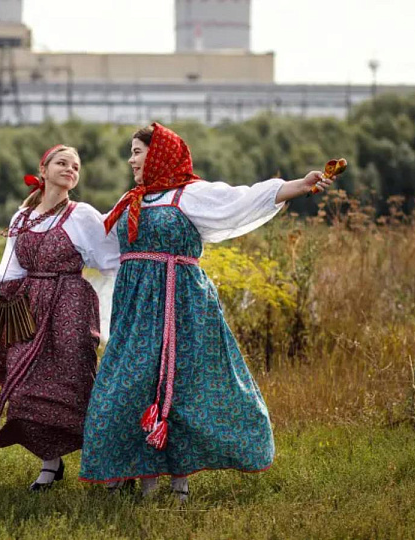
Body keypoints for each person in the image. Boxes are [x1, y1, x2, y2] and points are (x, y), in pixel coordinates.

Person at [79, 122, 334, 502]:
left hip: (181, 305)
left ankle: (178, 482)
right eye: (131, 152)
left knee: (184, 386)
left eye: (137, 151)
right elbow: (89, 241)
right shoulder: (131, 201)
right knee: (125, 387)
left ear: (160, 153)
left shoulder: (190, 195)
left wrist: (300, 184)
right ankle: (138, 473)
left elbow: (243, 200)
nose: (131, 160)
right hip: (134, 310)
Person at [0, 145, 119, 491]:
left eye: (76, 166)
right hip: (28, 311)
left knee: (75, 384)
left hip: (70, 305)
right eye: (62, 163)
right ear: (43, 169)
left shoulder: (82, 215)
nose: (70, 169)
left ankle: (112, 465)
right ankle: (50, 465)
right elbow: (8, 271)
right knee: (27, 388)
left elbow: (109, 259)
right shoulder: (21, 218)